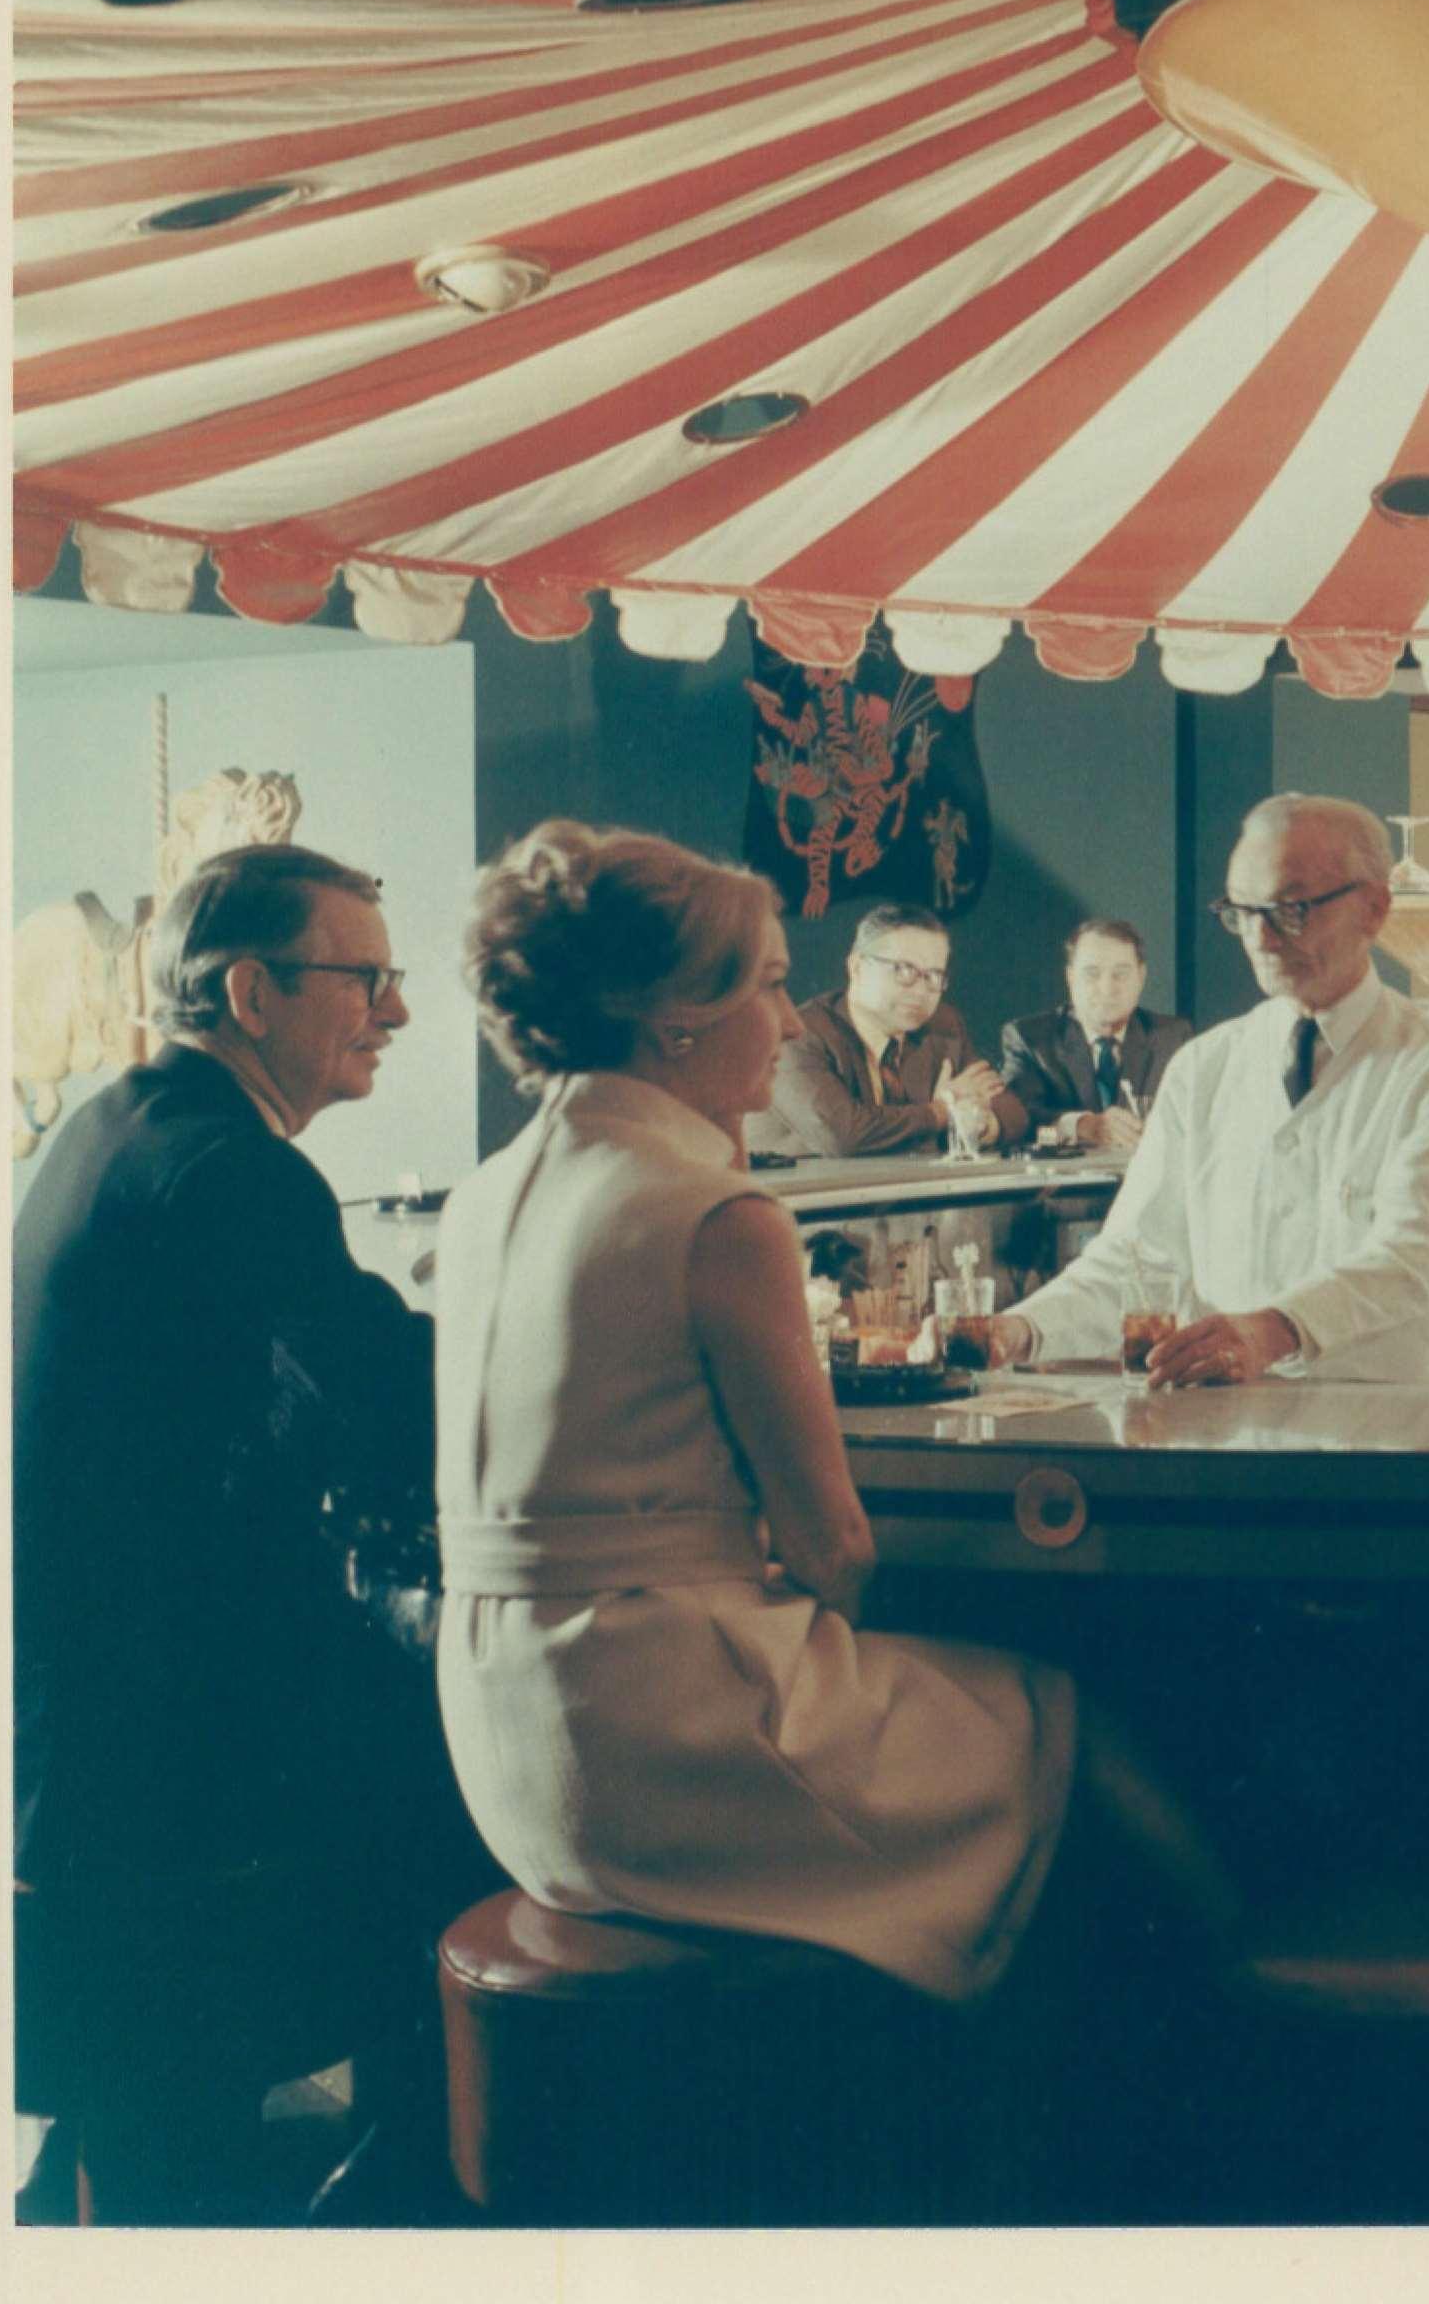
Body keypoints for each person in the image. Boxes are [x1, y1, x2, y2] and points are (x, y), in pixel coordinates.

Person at [437, 822, 1236, 2012]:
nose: (788, 1019)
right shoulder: (715, 1212)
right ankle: (1225, 2027)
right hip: (664, 1738)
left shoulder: (487, 1194)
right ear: (678, 1022)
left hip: (509, 1744)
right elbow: (833, 1550)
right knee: (1070, 1722)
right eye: (767, 986)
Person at [12, 844, 494, 2220]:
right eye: (368, 979)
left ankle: (120, 2174)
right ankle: (424, 2191)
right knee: (486, 1769)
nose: (396, 1013)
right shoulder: (232, 1167)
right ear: (250, 991)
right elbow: (391, 1405)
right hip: (155, 1764)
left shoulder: (119, 1127)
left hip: (72, 1730)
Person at [957, 797, 1429, 1383]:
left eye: (1291, 909)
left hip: (1373, 1440)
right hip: (1224, 1439)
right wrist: (1019, 1330)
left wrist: (1273, 1330)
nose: (1261, 940)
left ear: (1374, 908)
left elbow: (1412, 1259)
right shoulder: (1204, 1067)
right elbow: (1134, 1259)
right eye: (1243, 912)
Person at [748, 900, 1028, 1158]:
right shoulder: (799, 1035)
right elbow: (845, 1136)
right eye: (903, 971)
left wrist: (977, 1122)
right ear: (857, 967)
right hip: (795, 1203)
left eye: (934, 976)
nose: (921, 991)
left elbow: (1013, 1114)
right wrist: (943, 1111)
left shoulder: (942, 1026)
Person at [998, 917, 1193, 1155]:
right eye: (1092, 974)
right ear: (1071, 978)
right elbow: (1017, 1119)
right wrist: (1082, 1126)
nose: (1107, 988)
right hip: (1064, 1188)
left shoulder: (1172, 1038)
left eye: (1120, 974)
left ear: (1141, 977)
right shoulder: (1031, 1039)